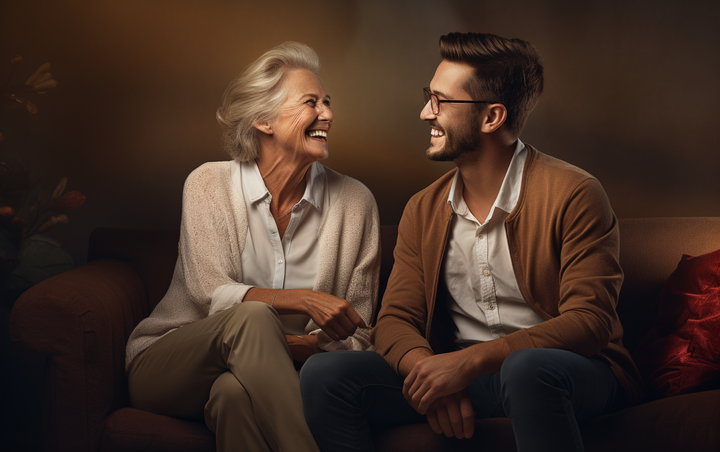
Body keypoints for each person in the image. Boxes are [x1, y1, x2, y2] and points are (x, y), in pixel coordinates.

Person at [300, 32, 642, 452]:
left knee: (527, 369)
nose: (426, 113)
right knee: (324, 376)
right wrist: (431, 373)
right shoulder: (423, 209)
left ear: (491, 117)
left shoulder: (575, 192)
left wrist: (468, 362)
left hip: (570, 374)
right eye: (429, 96)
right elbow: (394, 320)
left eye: (441, 101)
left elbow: (590, 322)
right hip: (472, 379)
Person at [125, 41, 380, 452]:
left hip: (275, 378)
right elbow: (209, 291)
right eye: (311, 102)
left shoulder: (355, 202)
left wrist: (287, 347)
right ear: (263, 120)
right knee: (253, 317)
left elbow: (358, 331)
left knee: (233, 396)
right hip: (171, 365)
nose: (328, 114)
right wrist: (305, 300)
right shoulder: (208, 183)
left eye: (328, 102)